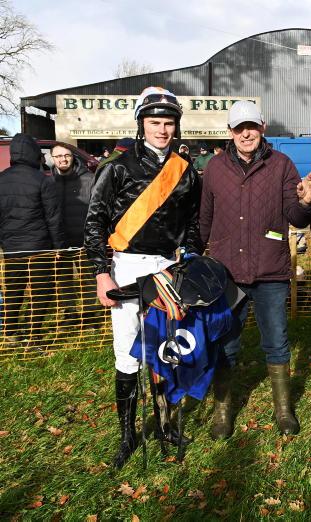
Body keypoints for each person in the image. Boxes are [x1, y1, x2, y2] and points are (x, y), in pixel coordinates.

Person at [84, 86, 202, 469]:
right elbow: (94, 222)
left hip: (167, 268)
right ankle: (127, 434)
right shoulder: (117, 167)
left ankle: (166, 426)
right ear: (141, 124)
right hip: (127, 267)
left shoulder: (186, 171)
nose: (162, 130)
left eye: (168, 123)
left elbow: (194, 224)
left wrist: (190, 260)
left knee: (165, 350)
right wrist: (101, 274)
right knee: (127, 354)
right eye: (155, 122)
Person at [200, 100, 311, 439]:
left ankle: (283, 410)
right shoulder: (214, 168)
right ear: (230, 132)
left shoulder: (281, 164)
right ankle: (223, 411)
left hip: (270, 271)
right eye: (239, 128)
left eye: (251, 126)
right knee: (226, 343)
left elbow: (295, 216)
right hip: (226, 274)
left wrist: (306, 202)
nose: (246, 134)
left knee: (277, 342)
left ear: (262, 127)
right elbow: (204, 218)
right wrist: (194, 258)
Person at [0, 134, 64, 344]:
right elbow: (53, 218)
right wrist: (59, 248)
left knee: (13, 289)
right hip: (39, 248)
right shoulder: (43, 180)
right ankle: (33, 333)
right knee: (41, 291)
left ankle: (10, 332)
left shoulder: (1, 179)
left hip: (12, 249)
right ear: (34, 153)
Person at [51, 143, 95, 324]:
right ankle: (70, 313)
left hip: (84, 239)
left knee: (88, 278)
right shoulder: (49, 182)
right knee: (64, 278)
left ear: (72, 156)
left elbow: (97, 209)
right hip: (60, 240)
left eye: (66, 155)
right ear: (52, 159)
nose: (63, 159)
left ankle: (90, 314)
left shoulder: (89, 179)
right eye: (58, 156)